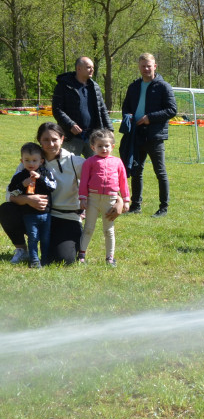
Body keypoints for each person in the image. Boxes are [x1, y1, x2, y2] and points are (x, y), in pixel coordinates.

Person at [2, 123, 86, 265]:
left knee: (63, 260)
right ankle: (22, 250)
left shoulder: (75, 162)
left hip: (66, 217)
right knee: (6, 209)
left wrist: (119, 200)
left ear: (62, 139)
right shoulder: (29, 161)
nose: (50, 144)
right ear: (39, 140)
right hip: (34, 214)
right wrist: (27, 200)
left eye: (54, 139)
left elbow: (101, 181)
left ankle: (57, 244)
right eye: (45, 139)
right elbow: (9, 194)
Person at [119, 53, 177, 217]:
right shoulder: (134, 86)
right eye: (143, 66)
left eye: (149, 66)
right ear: (139, 67)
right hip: (136, 134)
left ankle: (163, 208)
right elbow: (126, 107)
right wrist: (128, 115)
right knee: (136, 171)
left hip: (155, 135)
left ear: (155, 66)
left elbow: (172, 110)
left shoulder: (164, 86)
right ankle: (135, 206)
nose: (146, 69)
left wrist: (149, 118)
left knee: (160, 172)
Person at [77, 129, 129, 266]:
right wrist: (82, 197)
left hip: (110, 200)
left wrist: (126, 200)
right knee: (88, 228)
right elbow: (83, 181)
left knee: (108, 230)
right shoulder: (89, 162)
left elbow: (123, 181)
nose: (103, 148)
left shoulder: (117, 162)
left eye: (106, 145)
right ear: (93, 147)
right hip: (92, 199)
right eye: (100, 146)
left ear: (112, 146)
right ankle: (81, 255)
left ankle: (110, 258)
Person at [7, 143, 57, 268]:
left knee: (45, 238)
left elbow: (52, 187)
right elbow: (11, 192)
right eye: (27, 160)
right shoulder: (20, 176)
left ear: (41, 161)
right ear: (21, 161)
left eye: (35, 160)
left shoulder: (45, 173)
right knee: (33, 237)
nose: (31, 163)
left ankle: (45, 259)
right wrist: (22, 185)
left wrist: (40, 178)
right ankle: (34, 260)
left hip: (46, 213)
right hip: (29, 214)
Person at [51, 56, 112, 158]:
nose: (92, 69)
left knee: (97, 168)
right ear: (79, 68)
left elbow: (102, 109)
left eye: (92, 67)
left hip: (93, 137)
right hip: (71, 137)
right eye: (88, 67)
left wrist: (109, 129)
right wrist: (70, 125)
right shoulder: (63, 86)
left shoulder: (95, 87)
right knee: (69, 168)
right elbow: (57, 109)